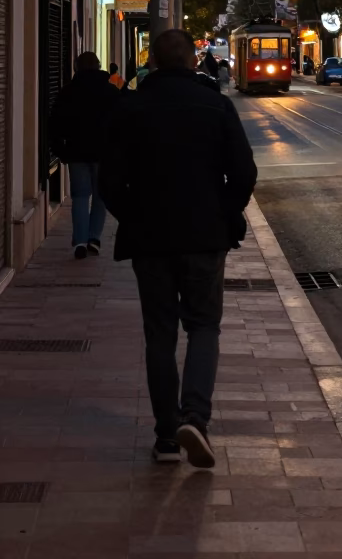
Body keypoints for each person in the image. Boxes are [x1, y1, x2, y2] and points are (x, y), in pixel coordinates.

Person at [100, 29, 257, 468]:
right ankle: (195, 417)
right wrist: (225, 213)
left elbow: (109, 181)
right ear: (193, 62)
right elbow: (243, 172)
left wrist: (133, 215)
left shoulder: (129, 107)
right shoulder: (216, 105)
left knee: (160, 334)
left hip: (150, 238)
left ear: (152, 63)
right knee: (204, 327)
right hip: (205, 236)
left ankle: (167, 436)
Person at [49, 51, 121, 259]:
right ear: (98, 66)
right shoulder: (111, 91)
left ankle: (79, 240)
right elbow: (121, 123)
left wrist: (60, 151)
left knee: (80, 196)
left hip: (76, 152)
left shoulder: (68, 92)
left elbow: (55, 123)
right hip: (104, 154)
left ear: (76, 67)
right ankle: (94, 238)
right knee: (100, 197)